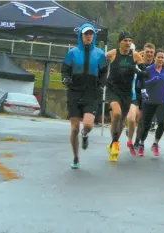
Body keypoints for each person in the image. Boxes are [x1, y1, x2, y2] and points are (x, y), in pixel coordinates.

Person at [61, 24, 108, 169]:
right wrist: (66, 79)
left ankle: (85, 135)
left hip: (91, 93)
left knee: (87, 125)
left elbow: (104, 71)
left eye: (91, 34)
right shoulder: (72, 53)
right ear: (81, 36)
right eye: (86, 34)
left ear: (94, 37)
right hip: (75, 92)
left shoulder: (99, 54)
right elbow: (65, 71)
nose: (88, 36)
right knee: (74, 128)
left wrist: (101, 84)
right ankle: (76, 157)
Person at [104, 32, 148, 162]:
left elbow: (143, 73)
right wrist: (101, 80)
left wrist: (143, 85)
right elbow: (99, 63)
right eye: (125, 41)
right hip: (113, 90)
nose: (128, 43)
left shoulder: (135, 55)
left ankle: (113, 143)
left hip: (127, 93)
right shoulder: (112, 54)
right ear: (120, 42)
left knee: (121, 121)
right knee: (116, 114)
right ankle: (115, 143)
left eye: (130, 40)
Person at [134, 50, 164, 157]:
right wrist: (151, 81)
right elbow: (140, 85)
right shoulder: (148, 70)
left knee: (162, 122)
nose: (160, 59)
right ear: (154, 58)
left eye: (162, 58)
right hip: (148, 101)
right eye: (158, 57)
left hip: (162, 101)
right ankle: (141, 143)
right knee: (146, 125)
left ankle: (155, 143)